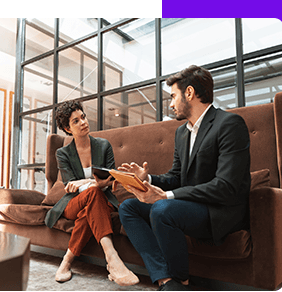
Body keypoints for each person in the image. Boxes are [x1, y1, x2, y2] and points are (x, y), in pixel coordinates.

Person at [118, 65, 251, 291]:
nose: (170, 104)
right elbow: (177, 177)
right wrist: (147, 178)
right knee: (128, 207)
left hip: (217, 210)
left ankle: (180, 280)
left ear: (189, 93)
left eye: (173, 96)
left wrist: (166, 196)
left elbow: (225, 186)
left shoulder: (229, 124)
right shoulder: (181, 132)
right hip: (188, 207)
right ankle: (167, 280)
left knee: (162, 209)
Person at [44, 100, 139, 286]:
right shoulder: (63, 153)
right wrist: (92, 183)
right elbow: (71, 186)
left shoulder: (103, 146)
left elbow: (111, 179)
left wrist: (86, 182)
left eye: (83, 117)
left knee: (91, 203)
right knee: (93, 192)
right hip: (74, 202)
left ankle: (67, 261)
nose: (83, 123)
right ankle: (112, 259)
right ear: (67, 128)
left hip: (103, 198)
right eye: (76, 121)